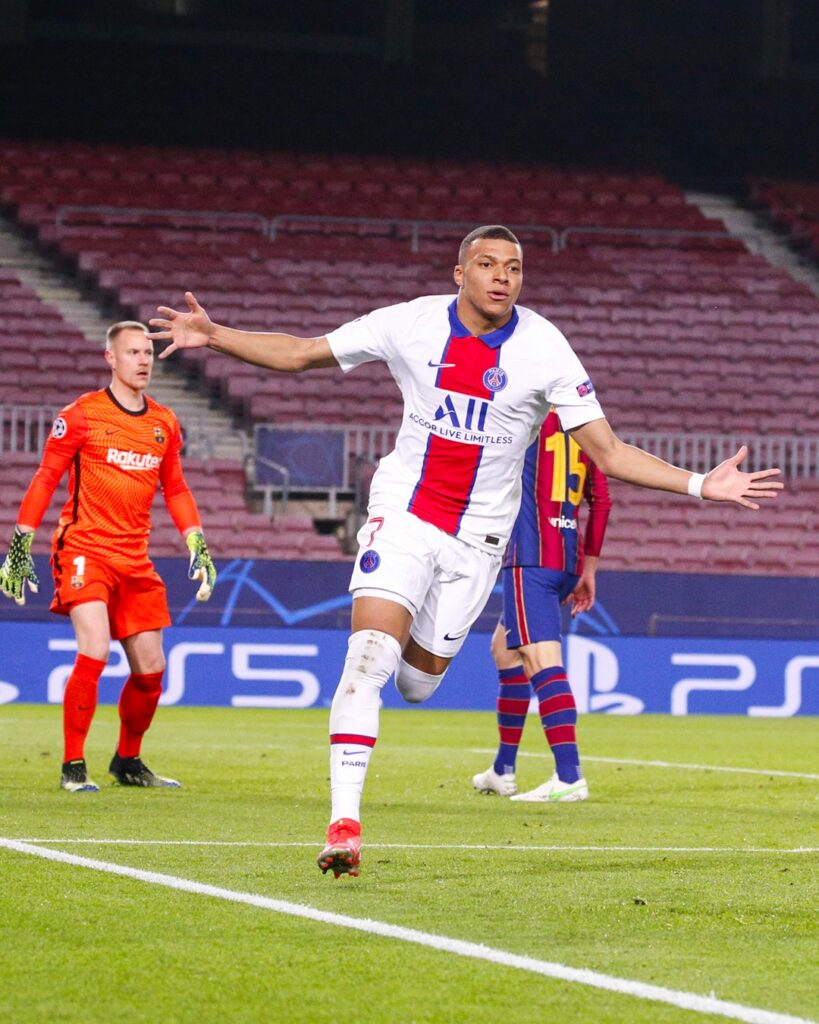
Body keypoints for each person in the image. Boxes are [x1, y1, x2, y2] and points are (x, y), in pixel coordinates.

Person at [148, 224, 781, 879]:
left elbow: (608, 453)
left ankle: (414, 671)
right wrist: (216, 335)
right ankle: (343, 825)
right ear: (459, 272)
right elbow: (302, 352)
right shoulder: (410, 324)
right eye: (486, 264)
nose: (501, 276)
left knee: (417, 684)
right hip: (402, 516)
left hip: (476, 543)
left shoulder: (544, 348)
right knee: (366, 658)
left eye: (513, 266)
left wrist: (702, 485)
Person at [0, 321, 217, 793]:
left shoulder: (163, 422)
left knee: (151, 669)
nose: (143, 360)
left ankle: (128, 761)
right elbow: (44, 478)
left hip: (133, 557)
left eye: (148, 353)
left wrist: (196, 541)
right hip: (84, 548)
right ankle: (73, 765)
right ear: (111, 359)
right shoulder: (81, 415)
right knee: (94, 648)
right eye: (133, 352)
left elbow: (176, 488)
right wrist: (19, 545)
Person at [472, 409, 611, 803]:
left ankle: (569, 777)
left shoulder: (520, 416)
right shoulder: (585, 427)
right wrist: (589, 570)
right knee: (504, 649)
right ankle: (503, 769)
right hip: (565, 560)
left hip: (529, 559)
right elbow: (601, 502)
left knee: (540, 662)